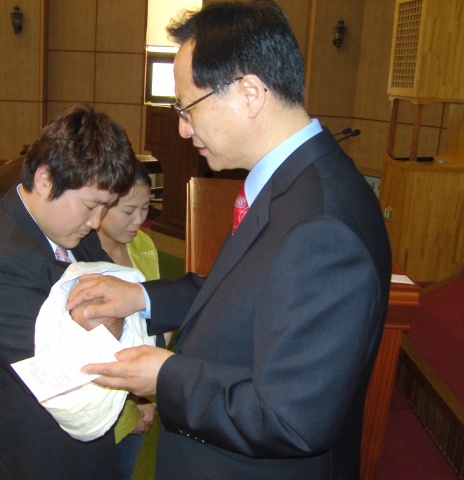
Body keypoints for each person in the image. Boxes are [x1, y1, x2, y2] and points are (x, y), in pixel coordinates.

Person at [66, 2, 392, 479]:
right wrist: (139, 296)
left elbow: (292, 418)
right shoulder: (291, 184)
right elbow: (236, 292)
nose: (183, 127)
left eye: (188, 107)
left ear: (250, 93)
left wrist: (165, 376)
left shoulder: (322, 226)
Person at [0, 104, 139, 479]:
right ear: (44, 179)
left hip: (84, 450)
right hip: (36, 459)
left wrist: (116, 312)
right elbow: (70, 371)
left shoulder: (67, 228)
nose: (96, 223)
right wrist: (120, 316)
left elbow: (119, 297)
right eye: (91, 205)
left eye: (104, 208)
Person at [96, 161, 160, 479]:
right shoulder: (80, 255)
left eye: (145, 208)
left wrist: (144, 399)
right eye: (128, 210)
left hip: (139, 394)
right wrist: (128, 410)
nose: (139, 220)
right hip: (100, 408)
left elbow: (153, 326)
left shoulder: (143, 245)